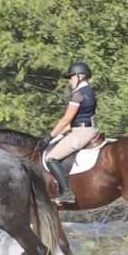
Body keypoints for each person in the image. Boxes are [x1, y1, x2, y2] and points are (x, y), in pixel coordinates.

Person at [43, 62, 98, 205]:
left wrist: (51, 136)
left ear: (80, 76)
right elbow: (79, 118)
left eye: (71, 77)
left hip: (81, 133)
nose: (70, 80)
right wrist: (63, 133)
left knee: (51, 158)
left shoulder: (78, 94)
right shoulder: (89, 91)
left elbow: (66, 119)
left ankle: (66, 193)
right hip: (86, 129)